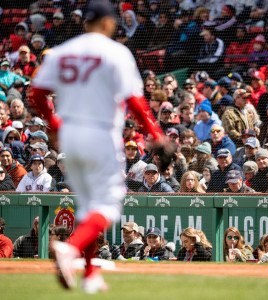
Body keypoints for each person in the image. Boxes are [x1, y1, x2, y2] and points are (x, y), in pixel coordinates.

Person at [31, 1, 170, 293]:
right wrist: (156, 134)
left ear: (85, 23)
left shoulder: (64, 50)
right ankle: (70, 250)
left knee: (87, 208)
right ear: (108, 23)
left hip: (69, 135)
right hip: (101, 133)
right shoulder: (116, 52)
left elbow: (37, 93)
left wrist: (55, 125)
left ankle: (91, 273)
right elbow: (134, 101)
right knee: (107, 207)